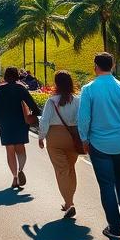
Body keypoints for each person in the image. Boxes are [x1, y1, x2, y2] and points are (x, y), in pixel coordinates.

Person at [78, 52, 120, 240]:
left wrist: (84, 139)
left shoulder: (89, 89)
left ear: (95, 66)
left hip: (99, 145)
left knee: (106, 185)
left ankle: (115, 228)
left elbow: (84, 118)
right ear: (113, 66)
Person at [38, 71, 81, 217]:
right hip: (73, 137)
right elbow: (83, 120)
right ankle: (70, 200)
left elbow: (44, 121)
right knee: (70, 169)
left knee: (61, 170)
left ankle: (69, 203)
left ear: (56, 84)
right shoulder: (78, 100)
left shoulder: (51, 101)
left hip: (55, 137)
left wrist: (41, 137)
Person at [0, 67, 41, 189]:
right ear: (17, 76)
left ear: (5, 76)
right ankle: (21, 169)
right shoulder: (21, 89)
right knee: (20, 147)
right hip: (20, 122)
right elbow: (34, 107)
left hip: (5, 122)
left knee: (10, 150)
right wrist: (32, 116)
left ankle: (14, 177)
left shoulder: (1, 90)